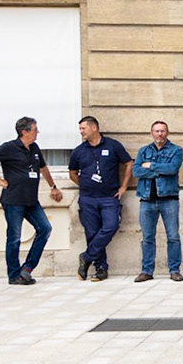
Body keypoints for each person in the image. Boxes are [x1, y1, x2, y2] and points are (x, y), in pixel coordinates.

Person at [0, 116, 64, 285]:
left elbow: (42, 167)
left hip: (31, 199)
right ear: (24, 132)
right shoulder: (9, 147)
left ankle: (28, 268)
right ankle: (14, 275)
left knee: (45, 228)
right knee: (14, 237)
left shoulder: (34, 148)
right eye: (34, 129)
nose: (37, 132)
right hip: (13, 199)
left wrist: (53, 186)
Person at [68, 116, 132, 281]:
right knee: (92, 233)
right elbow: (72, 173)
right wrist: (84, 184)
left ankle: (87, 257)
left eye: (83, 128)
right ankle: (101, 269)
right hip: (88, 198)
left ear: (94, 127)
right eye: (80, 129)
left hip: (109, 197)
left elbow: (129, 163)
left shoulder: (113, 145)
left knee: (111, 226)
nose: (81, 132)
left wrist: (123, 186)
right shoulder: (79, 150)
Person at [133, 120, 183, 283]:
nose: (159, 134)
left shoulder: (176, 150)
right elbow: (136, 170)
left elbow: (172, 169)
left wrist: (151, 166)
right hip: (147, 199)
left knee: (173, 236)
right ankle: (147, 270)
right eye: (156, 131)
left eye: (162, 131)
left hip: (168, 200)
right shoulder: (143, 151)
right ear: (151, 133)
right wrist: (157, 171)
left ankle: (174, 270)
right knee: (147, 237)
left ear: (167, 133)